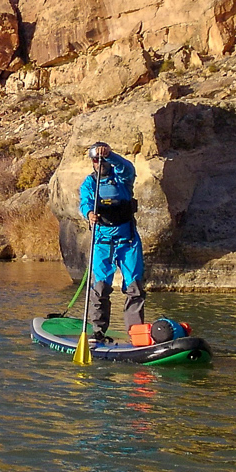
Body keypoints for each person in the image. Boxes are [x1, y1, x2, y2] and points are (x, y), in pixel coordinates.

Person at [78, 141, 146, 341]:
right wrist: (89, 213)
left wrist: (110, 155)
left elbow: (128, 168)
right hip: (101, 242)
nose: (99, 163)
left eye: (102, 160)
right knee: (100, 288)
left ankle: (136, 334)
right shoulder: (90, 183)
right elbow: (85, 202)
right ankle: (98, 332)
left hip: (128, 241)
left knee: (135, 288)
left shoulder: (122, 179)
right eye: (96, 160)